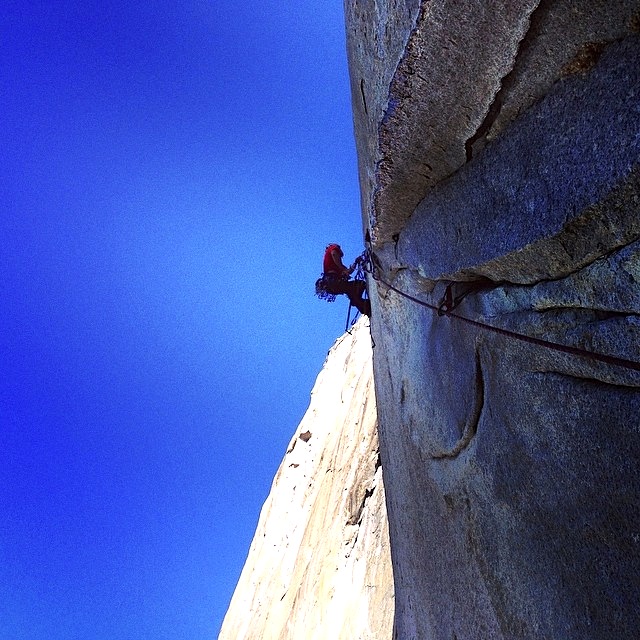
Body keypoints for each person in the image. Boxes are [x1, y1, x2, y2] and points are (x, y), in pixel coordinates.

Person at [318, 243, 371, 316]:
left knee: (353, 288)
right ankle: (362, 305)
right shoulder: (332, 248)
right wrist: (342, 267)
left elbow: (348, 272)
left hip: (332, 286)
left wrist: (355, 262)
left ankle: (361, 305)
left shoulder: (334, 267)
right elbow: (334, 253)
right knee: (358, 285)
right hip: (332, 281)